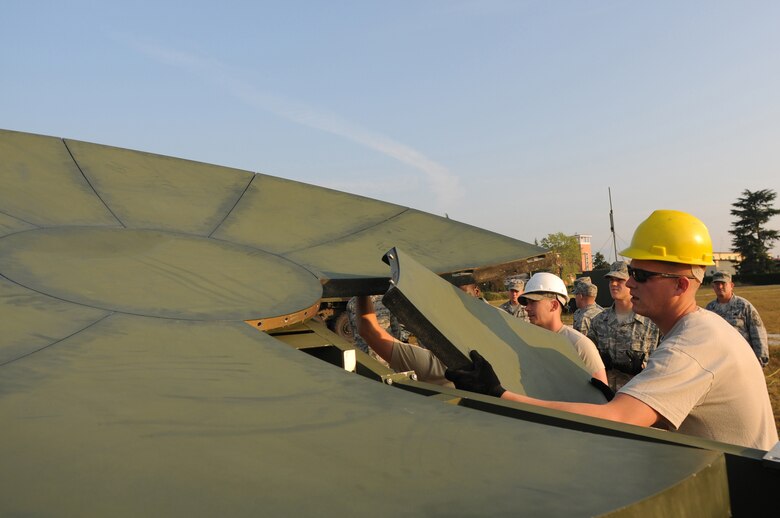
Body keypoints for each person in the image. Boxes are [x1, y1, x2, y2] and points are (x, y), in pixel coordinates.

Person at [446, 210, 778, 451]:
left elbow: (617, 419)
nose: (629, 282)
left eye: (643, 275)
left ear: (680, 285)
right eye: (632, 271)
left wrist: (500, 395)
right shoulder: (699, 329)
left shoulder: (690, 346)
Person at [519, 272, 607, 385]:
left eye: (533, 302)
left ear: (554, 305)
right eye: (527, 303)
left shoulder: (579, 345)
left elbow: (602, 394)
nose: (527, 308)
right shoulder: (529, 341)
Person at [587, 261, 661, 391]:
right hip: (605, 396)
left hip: (639, 396)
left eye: (619, 280)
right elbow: (588, 360)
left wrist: (643, 368)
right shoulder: (598, 322)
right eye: (611, 280)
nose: (613, 284)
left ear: (632, 282)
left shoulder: (652, 323)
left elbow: (665, 365)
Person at [355, 296, 453, 386]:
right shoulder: (447, 367)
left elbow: (369, 331)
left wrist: (362, 293)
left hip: (381, 370)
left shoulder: (435, 366)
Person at [705, 271, 769, 367]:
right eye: (717, 284)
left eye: (723, 283)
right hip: (720, 361)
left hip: (743, 359)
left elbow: (758, 332)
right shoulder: (710, 308)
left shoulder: (744, 306)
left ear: (731, 285)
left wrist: (761, 358)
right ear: (713, 287)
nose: (720, 287)